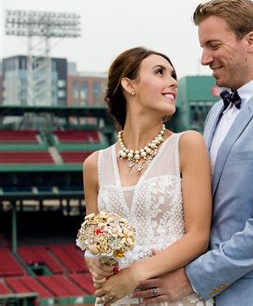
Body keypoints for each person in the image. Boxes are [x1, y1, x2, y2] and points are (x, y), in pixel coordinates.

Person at [134, 0, 253, 305]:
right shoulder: (216, 113)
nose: (204, 59)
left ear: (251, 41)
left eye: (213, 46)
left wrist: (192, 278)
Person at [83, 47, 214, 305]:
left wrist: (135, 274)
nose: (173, 81)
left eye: (173, 75)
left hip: (174, 297)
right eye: (160, 72)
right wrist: (94, 262)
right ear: (129, 85)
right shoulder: (94, 165)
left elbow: (198, 237)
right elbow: (92, 239)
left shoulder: (187, 145)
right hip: (117, 298)